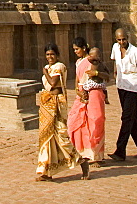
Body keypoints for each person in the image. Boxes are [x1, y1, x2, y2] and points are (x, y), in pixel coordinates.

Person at [36, 43, 89, 181]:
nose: (50, 57)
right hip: (47, 103)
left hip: (57, 104)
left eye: (52, 54)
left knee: (61, 136)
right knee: (47, 138)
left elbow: (53, 83)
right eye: (47, 55)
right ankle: (46, 171)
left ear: (57, 55)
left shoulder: (59, 67)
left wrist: (45, 73)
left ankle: (82, 161)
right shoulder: (49, 67)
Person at [109, 28, 137, 161]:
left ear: (128, 38)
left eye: (124, 39)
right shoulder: (115, 48)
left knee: (126, 118)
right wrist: (115, 74)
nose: (122, 42)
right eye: (119, 40)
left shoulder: (135, 52)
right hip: (121, 86)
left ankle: (120, 150)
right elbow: (115, 62)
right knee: (133, 119)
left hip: (133, 87)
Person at [67, 37, 108, 165]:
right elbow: (77, 81)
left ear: (84, 48)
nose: (75, 51)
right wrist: (78, 92)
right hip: (81, 95)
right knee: (77, 124)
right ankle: (84, 152)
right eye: (74, 49)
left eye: (77, 49)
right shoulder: (79, 62)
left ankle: (97, 155)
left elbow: (106, 75)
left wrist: (95, 72)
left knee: (95, 122)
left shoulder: (92, 60)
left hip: (94, 94)